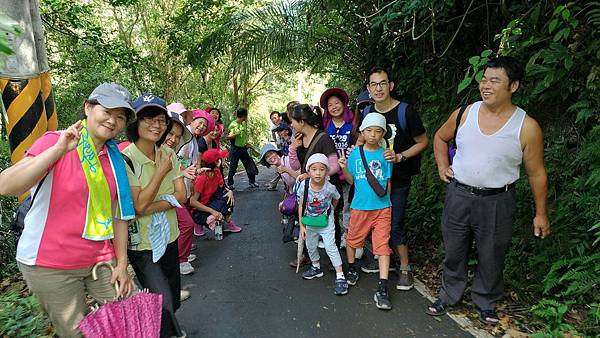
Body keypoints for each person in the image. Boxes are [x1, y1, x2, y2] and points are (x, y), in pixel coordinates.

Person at [0, 83, 136, 337]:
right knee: (78, 333)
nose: (113, 121)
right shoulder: (56, 141)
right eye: (107, 111)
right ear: (88, 108)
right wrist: (58, 150)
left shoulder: (114, 157)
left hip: (100, 258)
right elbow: (6, 185)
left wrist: (122, 263)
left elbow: (118, 215)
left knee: (130, 320)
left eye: (120, 117)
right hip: (50, 263)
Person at [426, 56, 550, 325]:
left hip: (497, 200)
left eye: (495, 80)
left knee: (492, 253)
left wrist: (541, 213)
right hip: (458, 194)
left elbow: (537, 172)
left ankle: (486, 301)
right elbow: (439, 137)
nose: (486, 85)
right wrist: (442, 166)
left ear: (513, 86)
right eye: (484, 79)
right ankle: (448, 296)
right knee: (454, 249)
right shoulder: (464, 113)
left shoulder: (526, 126)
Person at [122, 93, 187, 338]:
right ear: (135, 123)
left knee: (172, 296)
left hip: (169, 235)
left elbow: (182, 196)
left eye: (161, 120)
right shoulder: (126, 159)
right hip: (142, 244)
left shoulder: (168, 154)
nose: (156, 125)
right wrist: (160, 174)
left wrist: (150, 206)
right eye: (148, 118)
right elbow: (139, 206)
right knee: (162, 301)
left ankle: (166, 329)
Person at [360, 67, 428, 292]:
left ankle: (405, 268)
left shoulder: (405, 112)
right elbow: (363, 140)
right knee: (374, 222)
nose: (378, 88)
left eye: (382, 83)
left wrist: (400, 156)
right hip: (373, 182)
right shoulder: (367, 112)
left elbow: (422, 142)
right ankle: (383, 261)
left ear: (391, 85)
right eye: (374, 84)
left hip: (398, 178)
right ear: (368, 89)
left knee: (395, 222)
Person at [340, 113, 394, 310]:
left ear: (382, 134)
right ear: (362, 131)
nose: (373, 135)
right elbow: (351, 180)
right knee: (353, 240)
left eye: (377, 131)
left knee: (382, 246)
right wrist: (343, 167)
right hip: (360, 207)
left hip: (382, 209)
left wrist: (387, 203)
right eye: (369, 130)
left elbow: (388, 182)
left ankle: (383, 287)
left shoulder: (386, 154)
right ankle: (352, 268)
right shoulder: (355, 154)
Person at [288, 104, 340, 268]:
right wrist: (293, 148)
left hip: (326, 188)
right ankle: (307, 254)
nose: (291, 125)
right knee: (306, 219)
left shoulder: (323, 138)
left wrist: (312, 175)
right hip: (307, 188)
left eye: (293, 121)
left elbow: (334, 165)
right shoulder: (299, 138)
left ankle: (334, 259)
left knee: (331, 220)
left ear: (302, 121)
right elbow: (297, 166)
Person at [319, 87, 363, 259]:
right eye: (330, 105)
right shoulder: (325, 126)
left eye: (337, 103)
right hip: (331, 174)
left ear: (344, 105)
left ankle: (349, 237)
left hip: (350, 173)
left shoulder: (353, 125)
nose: (334, 107)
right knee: (332, 206)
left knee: (349, 206)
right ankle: (333, 236)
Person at [297, 153, 348, 296]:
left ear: (327, 171)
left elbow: (336, 199)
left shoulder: (329, 187)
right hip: (310, 223)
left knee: (331, 246)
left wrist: (329, 211)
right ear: (309, 171)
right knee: (311, 246)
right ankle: (316, 267)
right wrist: (301, 225)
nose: (318, 172)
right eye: (314, 169)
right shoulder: (304, 186)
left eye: (321, 169)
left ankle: (340, 276)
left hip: (326, 223)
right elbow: (301, 205)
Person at [164, 111, 197, 276]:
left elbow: (175, 170)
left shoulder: (169, 153)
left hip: (171, 196)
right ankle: (180, 259)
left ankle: (180, 256)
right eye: (170, 133)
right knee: (186, 224)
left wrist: (183, 172)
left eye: (177, 136)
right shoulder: (142, 151)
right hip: (158, 201)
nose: (173, 139)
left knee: (180, 225)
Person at [189, 149, 240, 233]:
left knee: (228, 197)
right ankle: (200, 223)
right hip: (199, 210)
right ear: (217, 162)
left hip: (210, 203)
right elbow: (192, 202)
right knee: (210, 214)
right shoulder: (202, 178)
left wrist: (230, 192)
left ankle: (227, 222)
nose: (222, 160)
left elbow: (222, 188)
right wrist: (213, 211)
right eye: (220, 159)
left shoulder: (216, 172)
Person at [226, 107, 259, 189]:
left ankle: (252, 182)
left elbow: (244, 136)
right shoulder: (233, 125)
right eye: (246, 116)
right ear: (244, 116)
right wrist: (236, 134)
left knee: (249, 164)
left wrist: (247, 143)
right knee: (233, 166)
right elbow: (228, 137)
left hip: (243, 148)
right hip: (235, 149)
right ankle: (230, 184)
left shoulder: (243, 124)